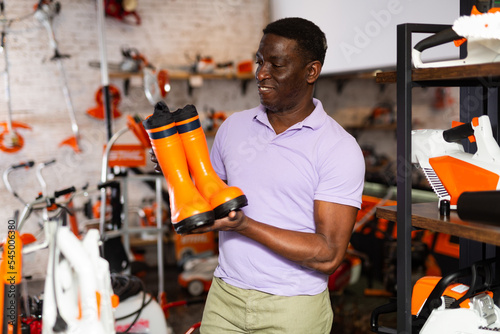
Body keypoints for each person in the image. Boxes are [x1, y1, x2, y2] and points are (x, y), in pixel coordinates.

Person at [151, 17, 365, 334]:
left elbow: (329, 255)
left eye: (276, 65)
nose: (261, 74)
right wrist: (174, 168)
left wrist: (245, 225)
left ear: (311, 72)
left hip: (293, 308)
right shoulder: (234, 128)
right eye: (260, 61)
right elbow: (206, 200)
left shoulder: (338, 148)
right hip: (224, 297)